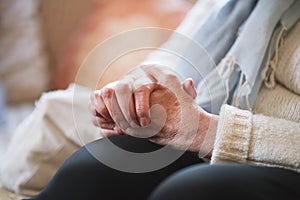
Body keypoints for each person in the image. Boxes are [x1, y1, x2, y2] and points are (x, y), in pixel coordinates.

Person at [27, 0, 300, 199]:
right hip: (210, 138)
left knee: (191, 193)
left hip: (281, 161)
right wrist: (137, 92)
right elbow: (173, 56)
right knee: (93, 167)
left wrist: (202, 130)